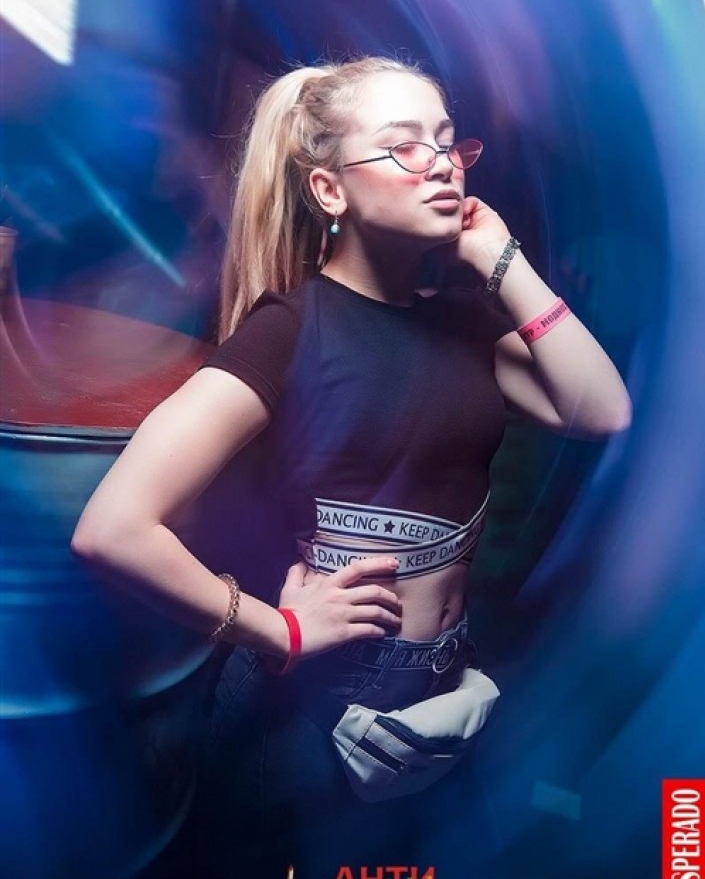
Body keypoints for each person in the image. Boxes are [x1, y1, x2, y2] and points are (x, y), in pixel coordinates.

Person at [71, 56, 632, 878]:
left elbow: (601, 410)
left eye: (447, 141)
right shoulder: (288, 331)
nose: (441, 163)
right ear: (330, 191)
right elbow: (113, 528)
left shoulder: (470, 328)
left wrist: (503, 260)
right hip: (308, 711)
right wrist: (280, 629)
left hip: (442, 694)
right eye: (404, 145)